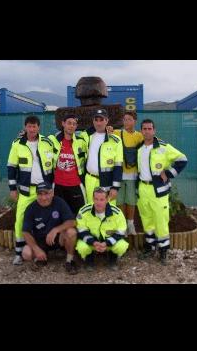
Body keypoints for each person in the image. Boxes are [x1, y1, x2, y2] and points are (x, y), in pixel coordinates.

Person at [135, 119, 188, 265]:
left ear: (154, 130)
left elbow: (182, 159)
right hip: (143, 189)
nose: (147, 131)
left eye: (149, 128)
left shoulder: (163, 147)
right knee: (147, 220)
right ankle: (150, 247)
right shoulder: (139, 148)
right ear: (141, 131)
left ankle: (163, 251)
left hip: (158, 190)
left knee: (161, 220)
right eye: (144, 129)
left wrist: (169, 173)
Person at [7, 115, 57, 265]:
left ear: (39, 127)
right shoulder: (17, 144)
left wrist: (53, 187)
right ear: (25, 127)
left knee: (47, 219)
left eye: (34, 126)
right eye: (29, 126)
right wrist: (12, 188)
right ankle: (18, 252)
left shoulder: (47, 143)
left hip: (45, 191)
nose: (32, 129)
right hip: (26, 191)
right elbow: (11, 167)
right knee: (20, 220)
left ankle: (46, 249)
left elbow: (56, 163)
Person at [20, 182, 79, 274]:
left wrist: (56, 230)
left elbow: (72, 222)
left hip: (58, 238)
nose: (43, 198)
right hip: (40, 240)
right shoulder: (31, 208)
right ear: (37, 195)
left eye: (46, 193)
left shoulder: (59, 202)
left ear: (52, 193)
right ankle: (42, 257)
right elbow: (25, 232)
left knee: (71, 232)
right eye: (40, 194)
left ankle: (69, 261)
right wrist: (36, 249)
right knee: (26, 254)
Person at [75, 187, 130, 271]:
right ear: (93, 199)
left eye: (101, 199)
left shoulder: (117, 212)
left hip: (109, 242)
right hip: (92, 243)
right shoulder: (84, 211)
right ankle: (89, 260)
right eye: (96, 199)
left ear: (107, 199)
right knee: (82, 247)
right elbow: (81, 231)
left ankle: (112, 260)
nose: (98, 202)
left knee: (121, 246)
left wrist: (107, 243)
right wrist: (93, 242)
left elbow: (121, 232)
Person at [77, 108, 123, 207]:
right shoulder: (86, 136)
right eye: (96, 120)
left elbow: (118, 166)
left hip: (107, 182)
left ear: (107, 121)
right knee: (91, 208)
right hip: (90, 180)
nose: (98, 123)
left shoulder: (115, 140)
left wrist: (115, 187)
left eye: (101, 120)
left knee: (108, 209)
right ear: (92, 121)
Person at [47, 113, 89, 215]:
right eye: (69, 123)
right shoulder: (53, 140)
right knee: (58, 214)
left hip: (76, 185)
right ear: (63, 124)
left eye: (74, 124)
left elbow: (95, 135)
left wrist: (107, 130)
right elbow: (37, 141)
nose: (71, 126)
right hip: (58, 185)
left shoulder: (81, 142)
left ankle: (77, 231)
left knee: (80, 214)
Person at [111, 111, 144, 235]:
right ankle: (123, 225)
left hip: (133, 175)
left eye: (129, 119)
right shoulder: (117, 132)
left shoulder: (139, 136)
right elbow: (106, 132)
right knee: (119, 201)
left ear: (135, 121)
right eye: (124, 119)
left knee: (131, 201)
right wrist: (109, 128)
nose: (126, 122)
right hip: (118, 175)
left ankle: (130, 224)